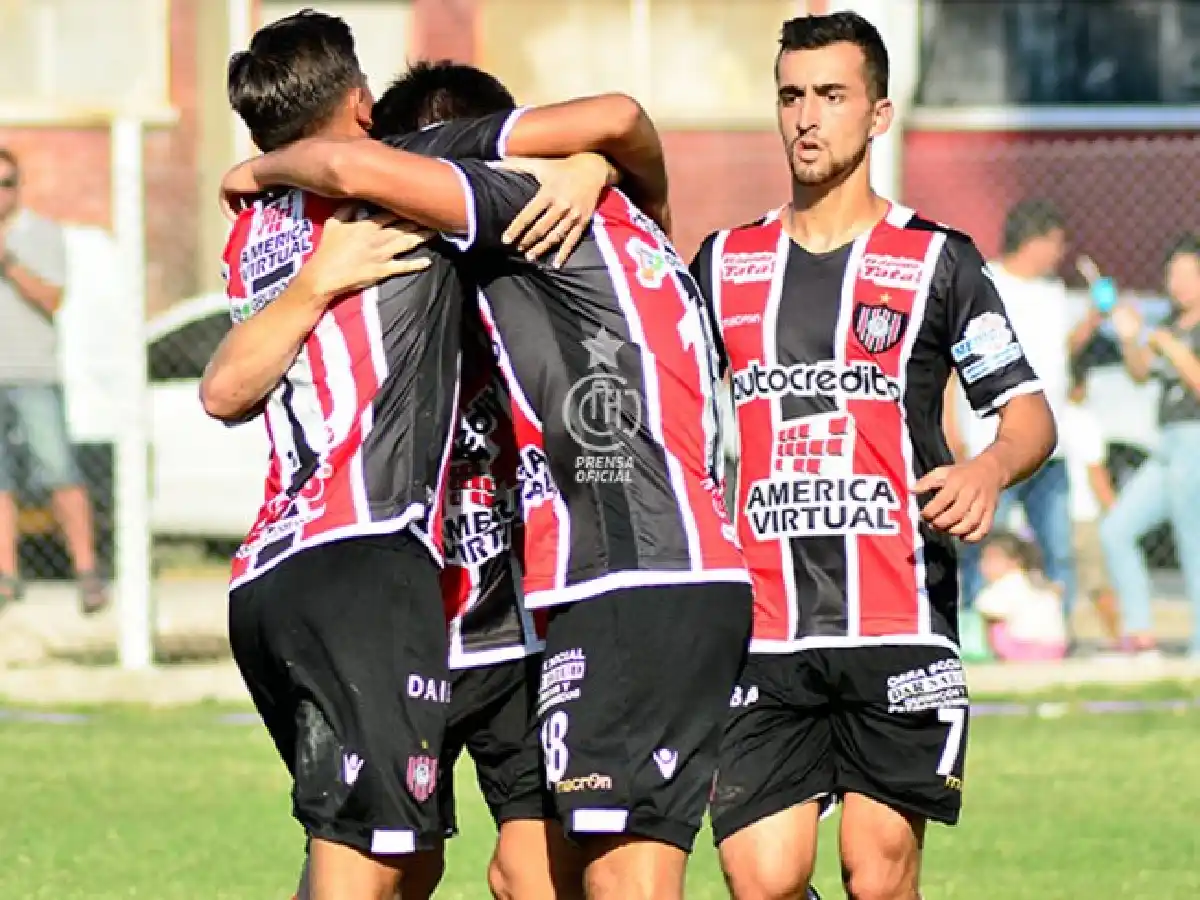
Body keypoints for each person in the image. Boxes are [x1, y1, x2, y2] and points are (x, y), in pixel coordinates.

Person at [220, 65, 753, 900]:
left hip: (583, 593)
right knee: (461, 868)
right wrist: (596, 164)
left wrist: (260, 168)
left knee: (589, 874)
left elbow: (355, 167)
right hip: (523, 598)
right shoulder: (588, 226)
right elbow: (226, 390)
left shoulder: (518, 212)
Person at [202, 12, 569, 899]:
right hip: (379, 577)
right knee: (382, 860)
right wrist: (587, 166)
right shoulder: (398, 196)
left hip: (461, 598)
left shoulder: (253, 232)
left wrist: (257, 171)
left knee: (465, 862)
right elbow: (595, 126)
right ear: (364, 108)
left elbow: (221, 390)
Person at [689, 12, 1056, 900]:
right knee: (761, 879)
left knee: (878, 876)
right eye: (791, 96)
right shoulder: (724, 263)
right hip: (764, 624)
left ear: (879, 113)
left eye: (831, 95)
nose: (806, 117)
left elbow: (1029, 414)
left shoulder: (938, 261)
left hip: (899, 616)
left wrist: (987, 469)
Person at [944, 199, 1093, 623]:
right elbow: (952, 366)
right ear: (1033, 241)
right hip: (992, 444)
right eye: (1055, 242)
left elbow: (1057, 353)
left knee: (1056, 548)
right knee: (983, 541)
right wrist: (952, 429)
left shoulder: (1054, 292)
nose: (1060, 253)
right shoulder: (984, 283)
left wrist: (1093, 322)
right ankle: (975, 628)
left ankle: (1053, 631)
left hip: (1050, 446)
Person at [0, 148, 106, 614]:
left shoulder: (40, 234)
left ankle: (87, 572)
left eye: (6, 183)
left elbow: (52, 298)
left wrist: (8, 262)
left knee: (59, 470)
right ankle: (7, 576)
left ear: (18, 186)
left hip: (34, 374)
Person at [1102, 234, 1200, 661]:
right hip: (1168, 444)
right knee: (1117, 529)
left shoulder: (1179, 336)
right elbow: (1140, 373)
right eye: (1172, 274)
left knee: (1192, 543)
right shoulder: (1171, 326)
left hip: (1195, 440)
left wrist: (1171, 348)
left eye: (1188, 274)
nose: (1178, 284)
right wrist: (1130, 336)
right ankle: (1139, 633)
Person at [1059, 359, 1121, 652]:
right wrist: (1116, 513)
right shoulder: (1083, 419)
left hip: (1054, 513)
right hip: (1083, 513)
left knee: (1060, 579)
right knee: (1098, 583)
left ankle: (1063, 637)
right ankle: (1117, 638)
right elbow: (1096, 473)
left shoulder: (1048, 418)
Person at [974, 530, 1068, 661]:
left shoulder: (1007, 583)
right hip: (1056, 648)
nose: (983, 565)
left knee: (994, 624)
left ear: (1015, 561)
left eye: (991, 559)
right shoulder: (1037, 580)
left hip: (1022, 647)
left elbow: (986, 607)